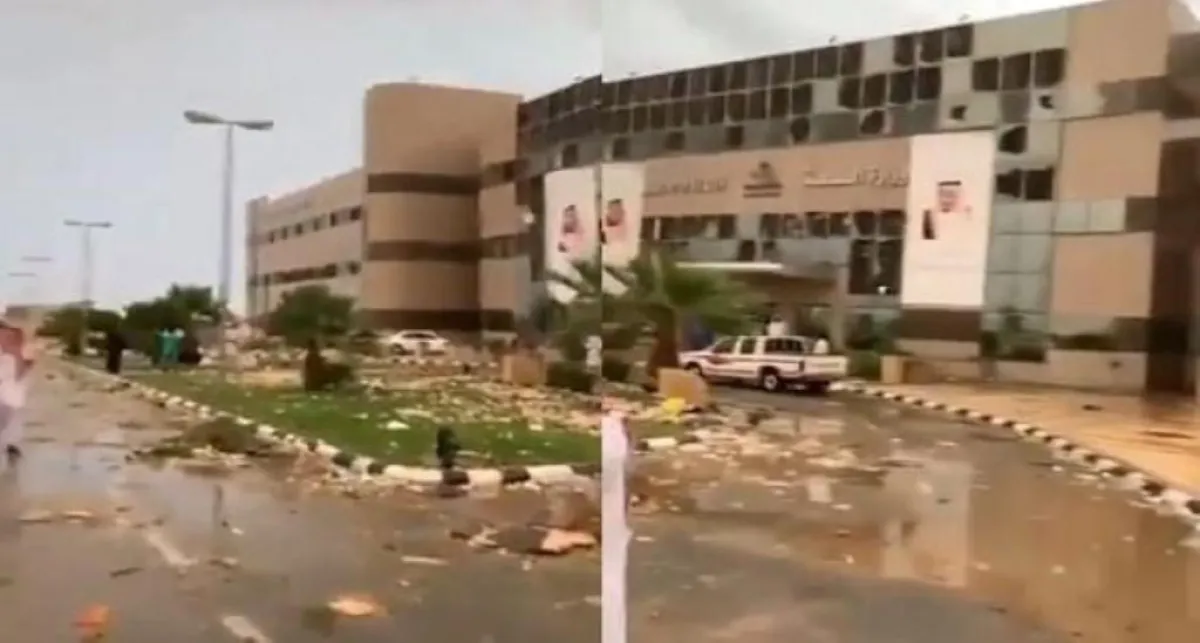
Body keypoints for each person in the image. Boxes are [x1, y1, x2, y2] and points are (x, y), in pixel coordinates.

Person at [0, 325, 33, 461]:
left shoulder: (19, 357)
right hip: (7, 400)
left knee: (8, 424)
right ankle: (10, 447)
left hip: (11, 400)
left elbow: (20, 375)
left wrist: (17, 354)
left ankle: (10, 447)